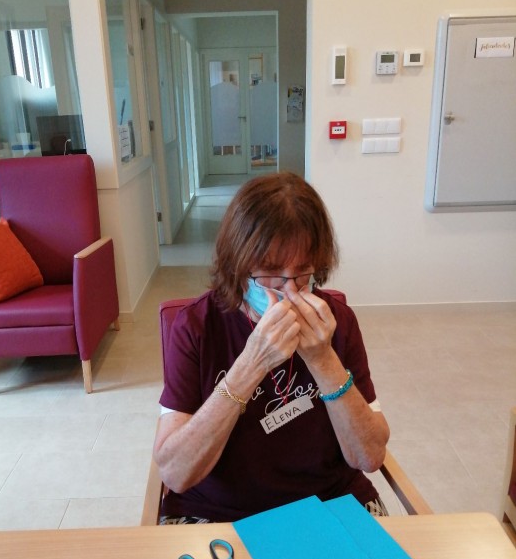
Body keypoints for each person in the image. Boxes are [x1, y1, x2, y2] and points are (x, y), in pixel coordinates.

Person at [154, 172, 390, 523]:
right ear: (237, 264)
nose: (289, 290)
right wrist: (251, 364)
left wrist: (323, 359)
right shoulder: (195, 326)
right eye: (269, 271)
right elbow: (175, 472)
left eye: (302, 272)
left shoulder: (337, 322)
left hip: (328, 502)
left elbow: (370, 456)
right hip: (217, 510)